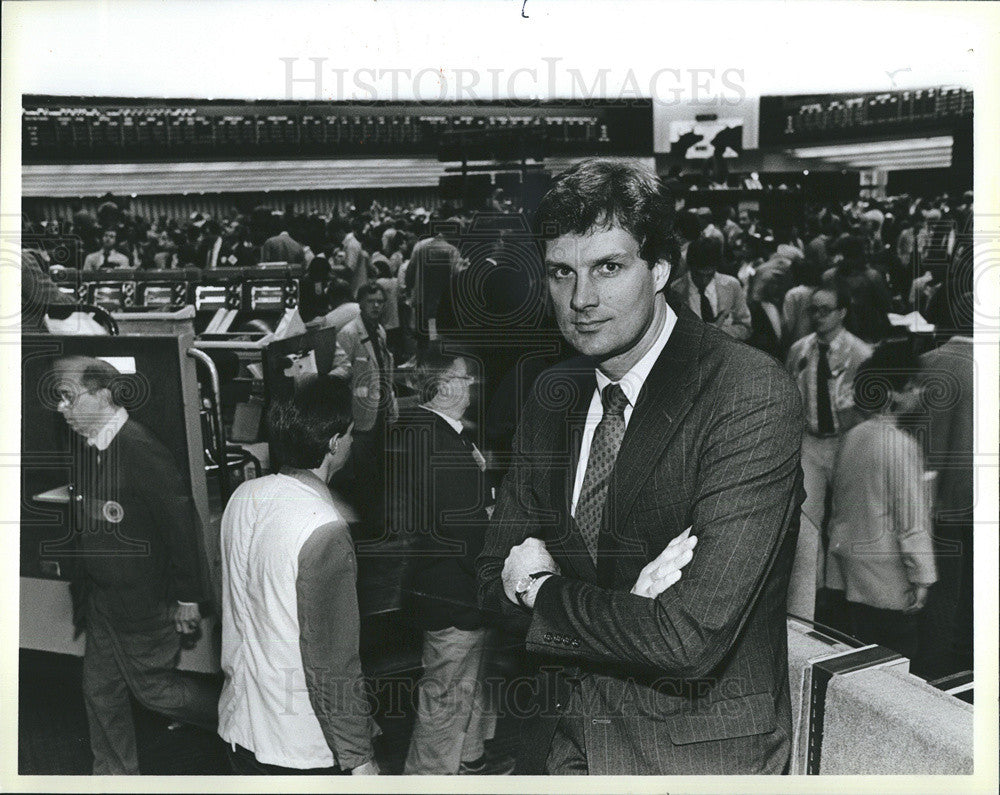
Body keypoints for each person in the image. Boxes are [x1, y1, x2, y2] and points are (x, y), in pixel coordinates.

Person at [476, 160, 805, 775]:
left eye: (608, 267)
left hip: (695, 760)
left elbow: (686, 639)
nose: (581, 299)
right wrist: (628, 605)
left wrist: (541, 587)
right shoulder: (552, 393)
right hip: (565, 743)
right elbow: (489, 583)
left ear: (658, 269)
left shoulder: (746, 393)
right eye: (561, 272)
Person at [49, 356, 217, 774]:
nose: (61, 408)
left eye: (68, 397)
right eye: (58, 398)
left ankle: (238, 717)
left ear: (103, 394)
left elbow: (181, 526)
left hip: (144, 603)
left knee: (155, 691)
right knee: (100, 692)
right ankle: (114, 776)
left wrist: (189, 598)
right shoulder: (91, 447)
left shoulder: (139, 449)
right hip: (104, 602)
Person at [217, 375, 379, 775]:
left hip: (240, 725)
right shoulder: (324, 527)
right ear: (333, 444)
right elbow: (331, 659)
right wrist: (359, 756)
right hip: (299, 745)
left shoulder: (243, 497)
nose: (353, 442)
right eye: (349, 434)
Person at [389, 348, 508, 775]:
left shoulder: (428, 430)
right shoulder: (440, 443)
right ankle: (426, 778)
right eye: (462, 378)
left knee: (469, 683)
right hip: (455, 590)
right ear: (440, 387)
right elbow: (463, 530)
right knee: (445, 698)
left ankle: (471, 759)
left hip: (439, 582)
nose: (471, 385)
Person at [826, 342, 937, 659]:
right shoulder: (902, 446)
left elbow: (841, 508)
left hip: (850, 570)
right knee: (896, 664)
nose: (919, 392)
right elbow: (911, 521)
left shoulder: (852, 437)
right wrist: (922, 577)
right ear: (891, 396)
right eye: (912, 386)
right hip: (889, 576)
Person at [784, 286, 873, 620]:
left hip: (845, 442)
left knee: (847, 517)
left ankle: (846, 596)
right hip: (810, 441)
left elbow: (866, 406)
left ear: (842, 312)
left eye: (826, 309)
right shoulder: (799, 350)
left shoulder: (861, 353)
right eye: (814, 310)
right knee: (807, 522)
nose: (819, 316)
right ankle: (808, 602)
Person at [331, 283, 397, 528]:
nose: (376, 306)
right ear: (360, 304)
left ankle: (378, 520)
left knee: (379, 470)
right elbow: (341, 369)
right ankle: (369, 524)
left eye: (380, 301)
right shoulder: (349, 333)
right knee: (364, 473)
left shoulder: (379, 330)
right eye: (371, 302)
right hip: (361, 415)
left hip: (379, 410)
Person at [668, 234, 752, 340]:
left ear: (716, 268)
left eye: (709, 275)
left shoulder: (732, 285)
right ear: (690, 267)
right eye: (698, 275)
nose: (704, 281)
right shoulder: (675, 291)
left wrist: (717, 332)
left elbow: (745, 327)